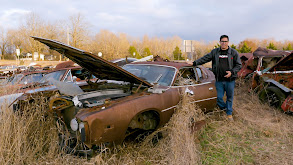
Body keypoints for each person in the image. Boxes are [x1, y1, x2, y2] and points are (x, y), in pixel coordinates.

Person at [188, 35, 241, 121]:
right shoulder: (215, 52)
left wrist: (232, 72)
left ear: (228, 42)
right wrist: (194, 63)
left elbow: (239, 65)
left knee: (229, 97)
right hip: (219, 80)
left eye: (225, 41)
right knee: (219, 98)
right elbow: (205, 58)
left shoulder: (233, 53)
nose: (224, 43)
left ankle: (229, 114)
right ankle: (226, 108)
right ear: (220, 42)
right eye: (222, 41)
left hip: (230, 80)